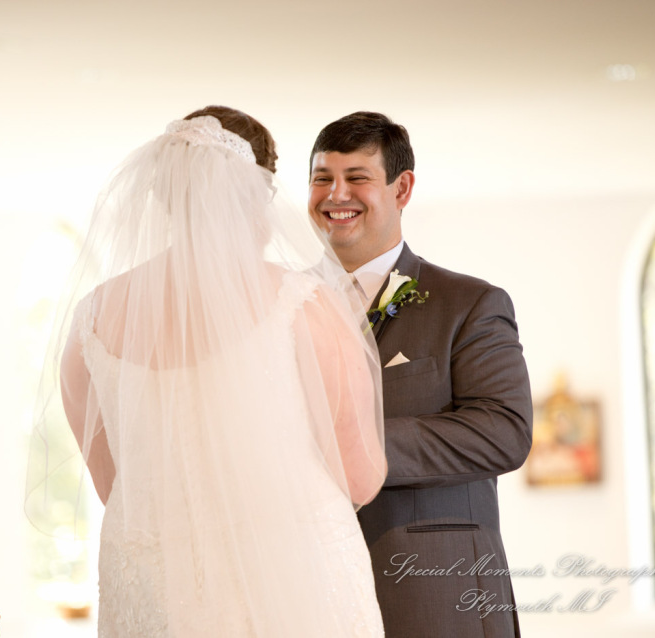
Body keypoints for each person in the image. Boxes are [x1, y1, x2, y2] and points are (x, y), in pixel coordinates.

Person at [26, 107, 388, 637]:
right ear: (260, 192)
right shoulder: (303, 302)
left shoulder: (93, 321)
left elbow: (117, 483)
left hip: (157, 582)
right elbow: (359, 476)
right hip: (293, 581)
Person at [308, 111, 533, 637]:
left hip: (436, 594)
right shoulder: (278, 307)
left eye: (357, 178)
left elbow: (503, 433)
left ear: (401, 187)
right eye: (322, 179)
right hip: (307, 587)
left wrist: (350, 445)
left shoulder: (469, 303)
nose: (336, 195)